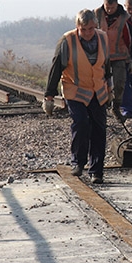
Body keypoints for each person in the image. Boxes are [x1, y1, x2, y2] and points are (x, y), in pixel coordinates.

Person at [43, 9, 111, 184]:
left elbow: (106, 65)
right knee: (80, 123)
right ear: (77, 27)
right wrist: (49, 96)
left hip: (98, 91)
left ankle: (97, 171)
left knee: (99, 130)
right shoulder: (67, 41)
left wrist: (110, 89)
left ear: (95, 26)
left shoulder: (103, 38)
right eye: (83, 29)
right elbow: (56, 68)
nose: (88, 33)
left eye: (90, 29)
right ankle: (78, 163)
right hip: (75, 90)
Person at [94, 0, 132, 123]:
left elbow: (130, 39)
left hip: (119, 56)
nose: (109, 10)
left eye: (112, 7)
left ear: (116, 5)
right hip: (100, 56)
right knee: (98, 83)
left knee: (120, 83)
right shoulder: (96, 14)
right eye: (107, 7)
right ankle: (99, 107)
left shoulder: (124, 18)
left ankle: (116, 106)